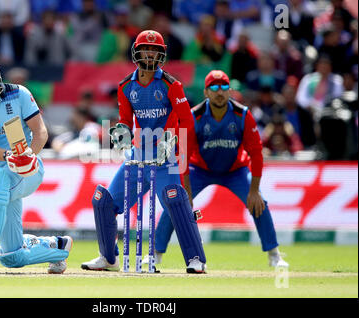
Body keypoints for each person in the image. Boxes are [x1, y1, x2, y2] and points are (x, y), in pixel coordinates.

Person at [81, 30, 207, 273]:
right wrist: (122, 132)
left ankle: (195, 259)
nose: (149, 54)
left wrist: (170, 138)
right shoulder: (126, 86)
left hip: (165, 156)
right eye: (145, 50)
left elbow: (187, 121)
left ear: (161, 55)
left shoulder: (172, 85)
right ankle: (108, 258)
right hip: (138, 156)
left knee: (175, 201)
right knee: (104, 202)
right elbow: (126, 120)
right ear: (136, 53)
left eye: (155, 50)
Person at [150, 70, 289, 268]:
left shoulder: (242, 114)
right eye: (214, 88)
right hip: (200, 169)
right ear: (206, 92)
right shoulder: (194, 116)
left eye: (224, 87)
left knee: (260, 203)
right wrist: (186, 192)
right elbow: (183, 156)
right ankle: (155, 254)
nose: (219, 92)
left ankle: (274, 254)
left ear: (230, 91)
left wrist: (254, 190)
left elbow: (256, 153)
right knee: (176, 203)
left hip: (236, 171)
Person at [0, 52, 72, 274]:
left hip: (29, 169)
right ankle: (56, 247)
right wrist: (9, 157)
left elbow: (40, 131)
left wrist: (29, 155)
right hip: (2, 172)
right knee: (12, 256)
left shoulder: (19, 93)